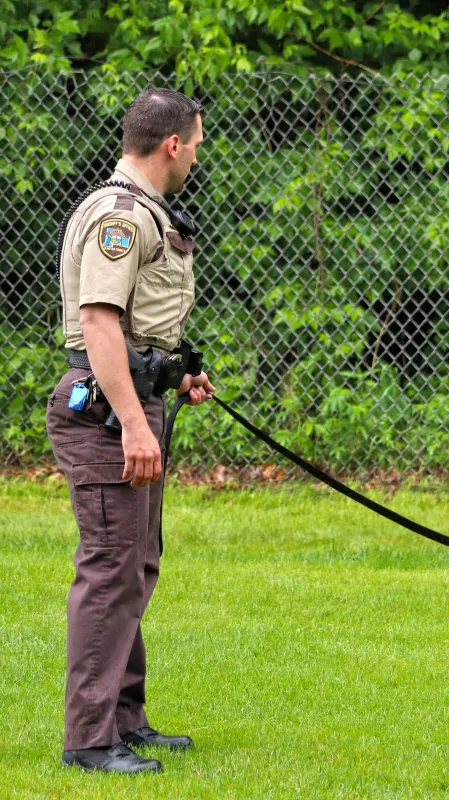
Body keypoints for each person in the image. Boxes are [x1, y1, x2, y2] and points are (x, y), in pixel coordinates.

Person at [46, 88, 215, 775]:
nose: (199, 153)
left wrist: (170, 379)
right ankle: (89, 739)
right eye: (197, 142)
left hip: (129, 403)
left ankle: (124, 718)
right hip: (104, 417)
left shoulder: (145, 213)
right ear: (172, 143)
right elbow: (98, 324)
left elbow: (135, 326)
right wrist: (135, 426)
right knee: (111, 570)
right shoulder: (121, 216)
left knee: (134, 566)